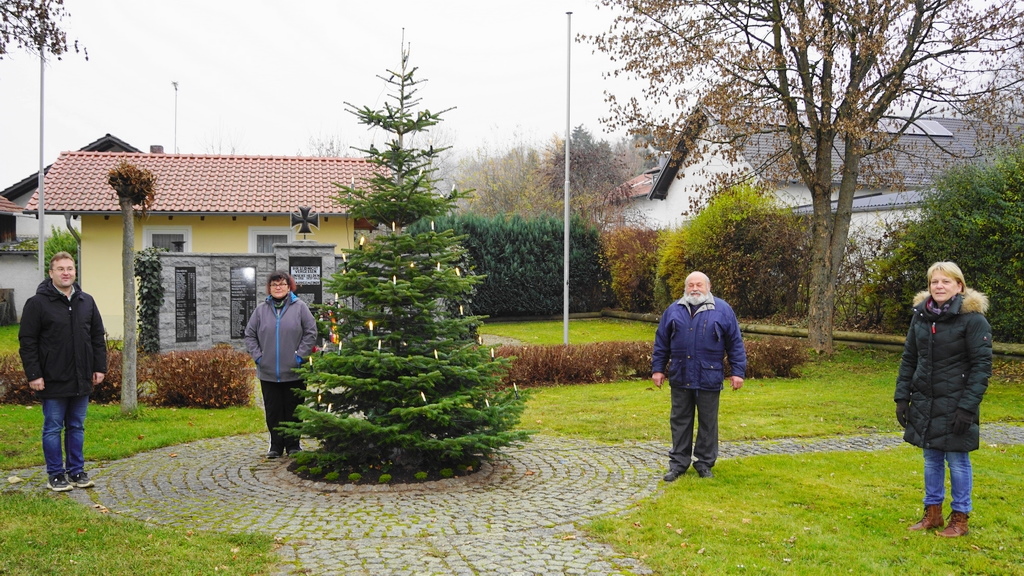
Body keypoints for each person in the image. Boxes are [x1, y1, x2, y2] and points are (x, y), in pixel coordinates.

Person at [895, 261, 991, 538]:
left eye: (945, 281)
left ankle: (960, 518)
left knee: (958, 461)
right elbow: (909, 359)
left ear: (959, 286)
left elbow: (981, 367)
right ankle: (932, 514)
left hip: (957, 402)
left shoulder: (973, 320)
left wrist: (966, 408)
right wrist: (902, 397)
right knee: (931, 459)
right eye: (934, 282)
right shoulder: (920, 317)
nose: (939, 286)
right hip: (926, 400)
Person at [19, 252, 107, 492]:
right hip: (51, 379)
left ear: (75, 272)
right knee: (53, 428)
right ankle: (56, 474)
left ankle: (77, 471)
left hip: (81, 377)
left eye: (70, 268)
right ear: (51, 273)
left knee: (76, 426)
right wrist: (34, 374)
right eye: (60, 269)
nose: (66, 272)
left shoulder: (86, 301)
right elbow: (28, 341)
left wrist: (99, 367)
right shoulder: (37, 304)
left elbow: (97, 336)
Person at [651, 271, 746, 481]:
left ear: (708, 287)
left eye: (699, 285)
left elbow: (735, 343)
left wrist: (737, 372)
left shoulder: (722, 310)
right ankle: (678, 465)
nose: (694, 289)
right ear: (685, 288)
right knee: (680, 421)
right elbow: (661, 343)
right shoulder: (673, 310)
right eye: (690, 285)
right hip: (680, 375)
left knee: (708, 423)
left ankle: (704, 464)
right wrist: (658, 369)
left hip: (709, 376)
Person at [244, 271, 317, 459]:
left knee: (293, 409)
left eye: (282, 284)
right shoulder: (261, 310)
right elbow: (250, 334)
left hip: (294, 371)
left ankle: (293, 444)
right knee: (273, 410)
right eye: (274, 284)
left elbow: (310, 332)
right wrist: (259, 357)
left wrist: (300, 356)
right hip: (268, 372)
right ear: (269, 288)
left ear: (289, 286)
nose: (278, 287)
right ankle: (275, 446)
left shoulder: (300, 307)